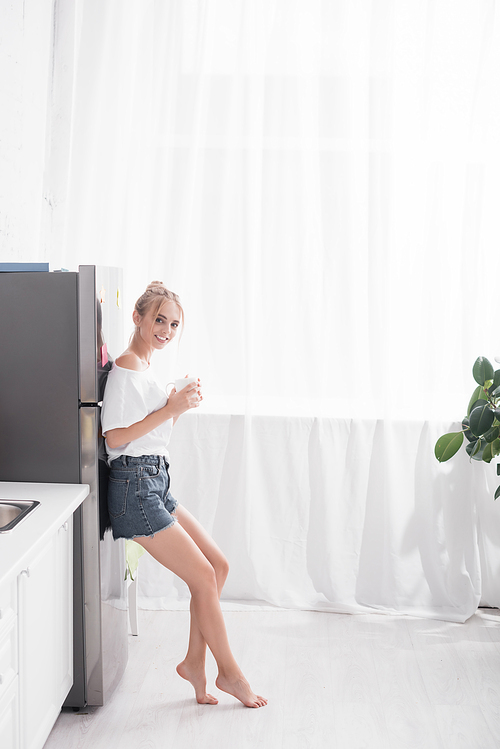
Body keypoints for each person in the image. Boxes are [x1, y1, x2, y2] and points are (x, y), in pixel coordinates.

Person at [100, 281, 267, 708]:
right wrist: (169, 409)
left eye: (173, 323)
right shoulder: (126, 369)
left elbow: (152, 433)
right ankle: (230, 674)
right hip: (134, 487)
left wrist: (176, 407)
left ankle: (195, 662)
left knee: (218, 565)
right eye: (159, 319)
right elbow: (115, 439)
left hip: (155, 479)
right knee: (205, 575)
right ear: (137, 318)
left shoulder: (146, 367)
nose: (166, 329)